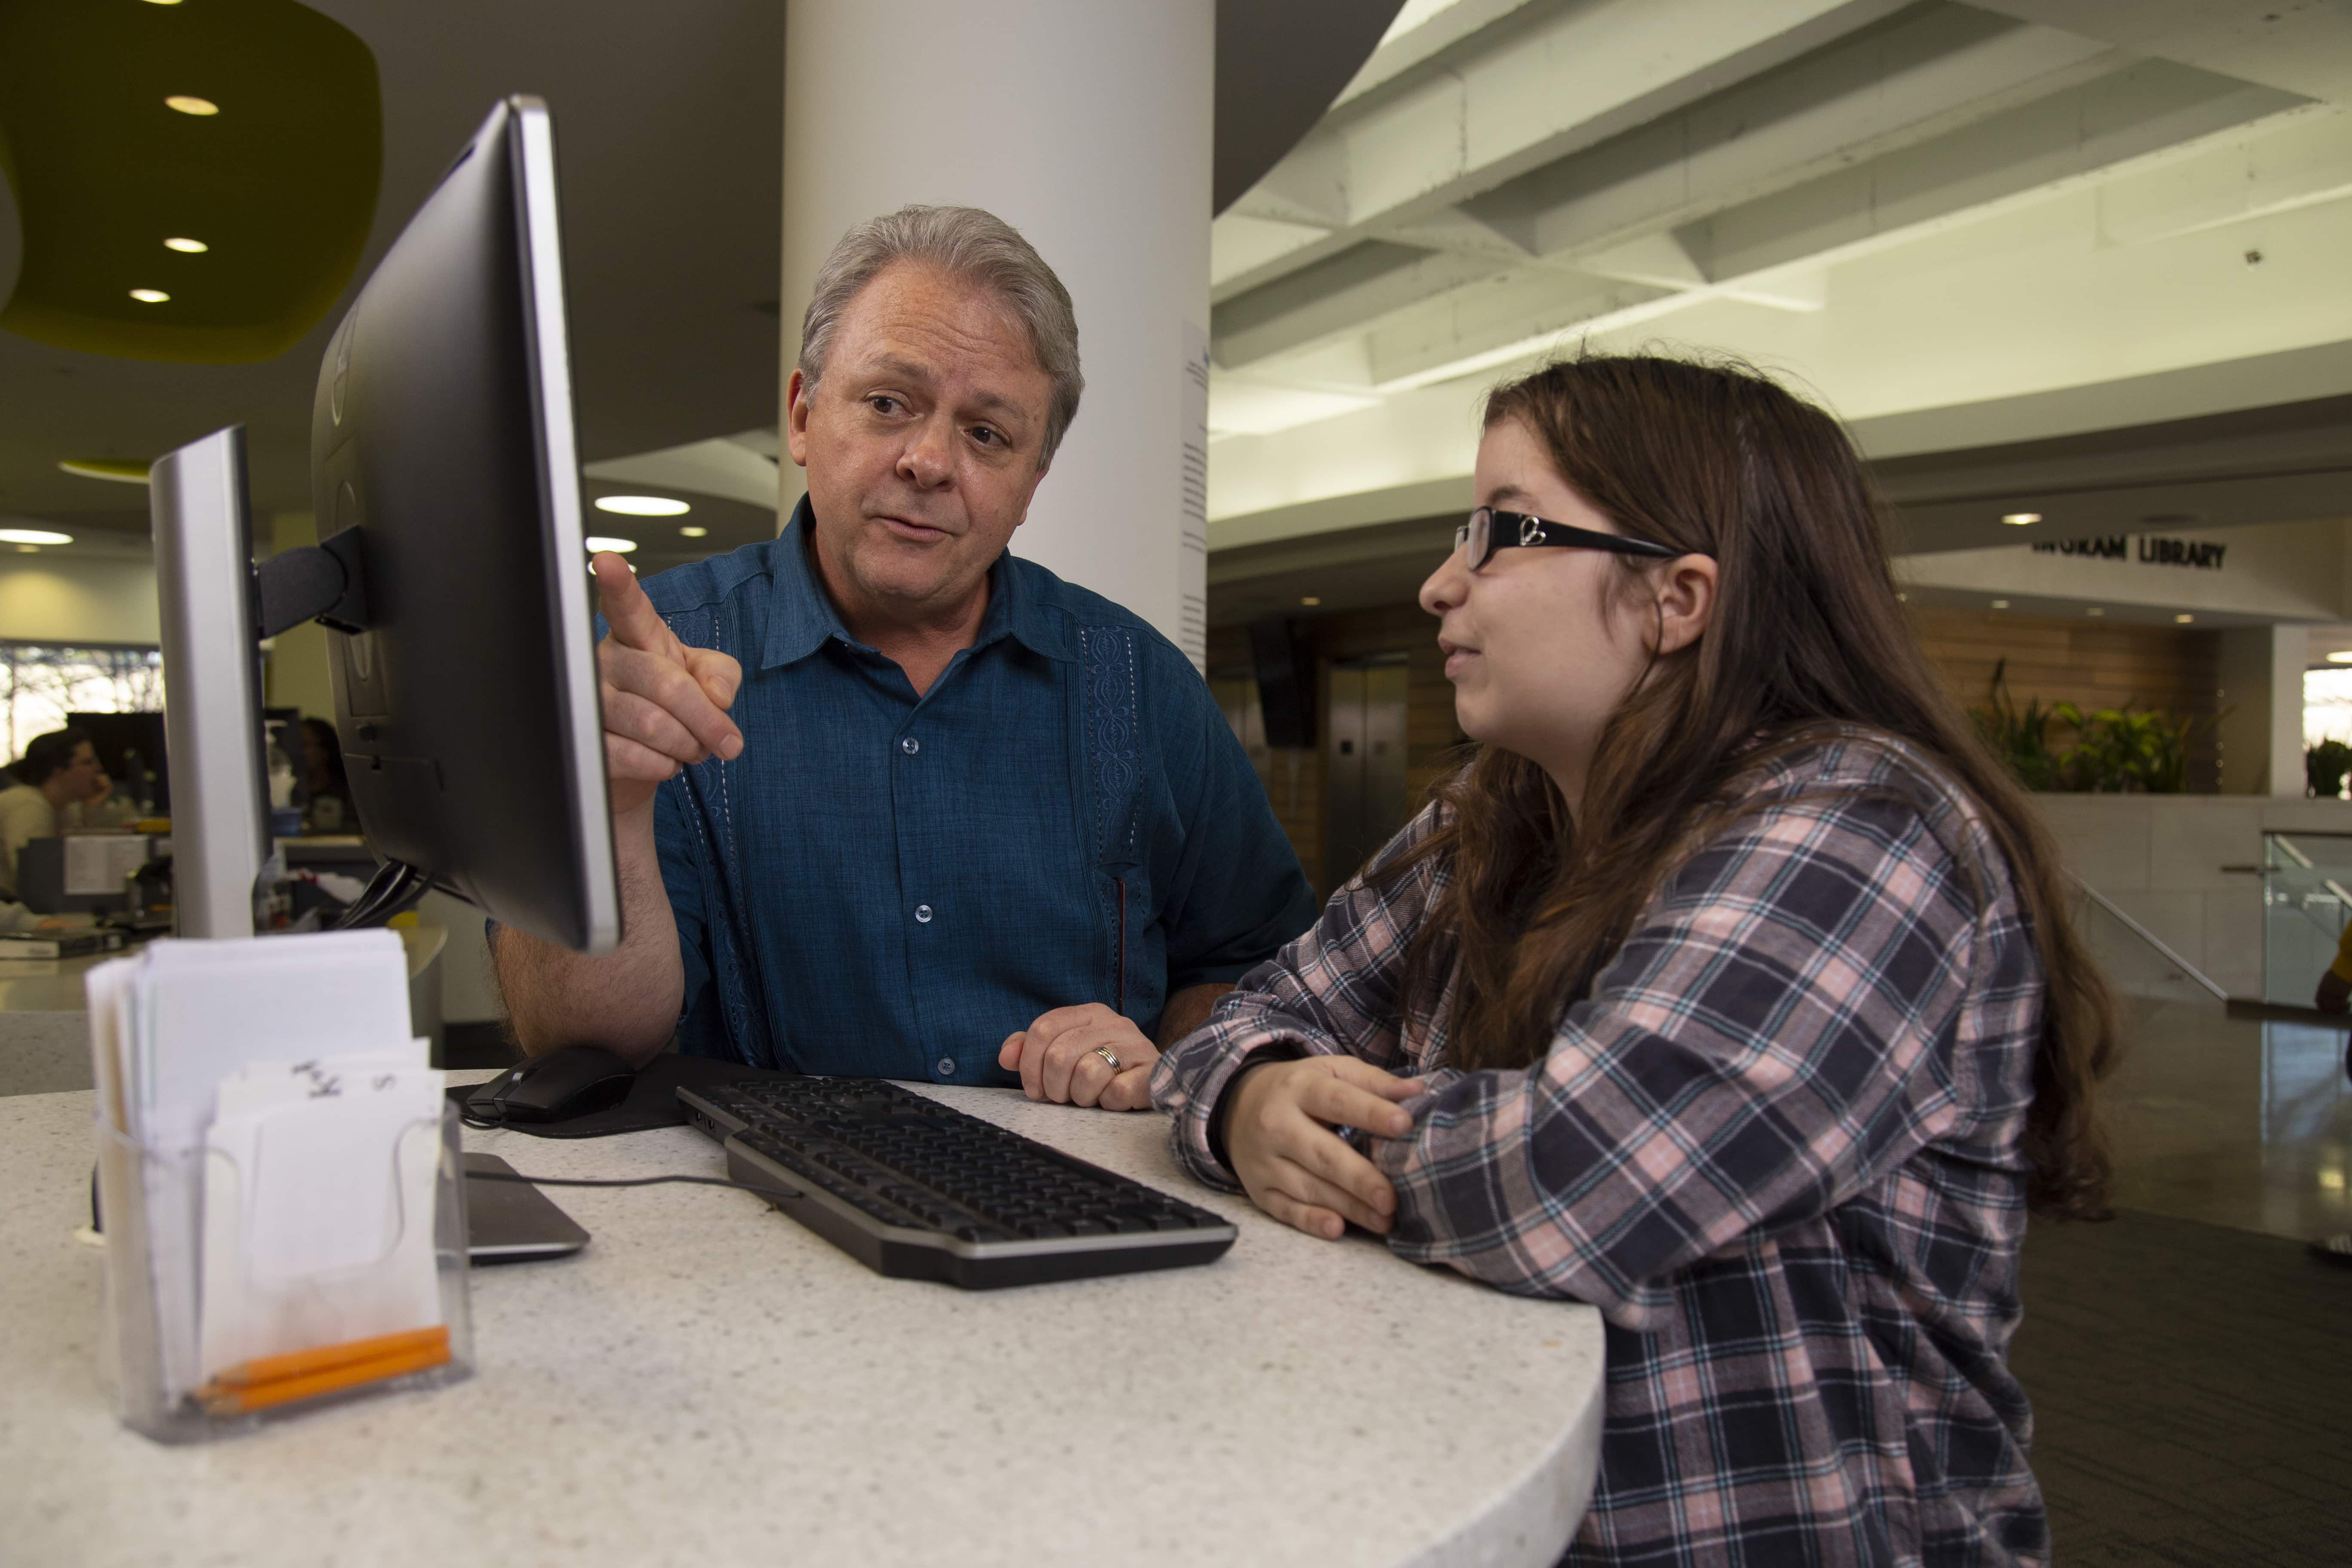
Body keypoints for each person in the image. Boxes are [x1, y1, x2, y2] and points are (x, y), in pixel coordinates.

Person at [1152, 355, 2117, 1565]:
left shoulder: (1865, 830)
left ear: (1679, 598)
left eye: (1500, 530)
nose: (1441, 581)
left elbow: (1578, 1178)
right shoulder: (1494, 815)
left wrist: (1297, 1125)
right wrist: (1245, 1093)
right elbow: (1250, 1017)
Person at [493, 205, 1315, 1100]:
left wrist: (1175, 1058)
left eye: (987, 434)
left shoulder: (1138, 683)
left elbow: (1265, 977)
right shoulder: (657, 666)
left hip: (1068, 1210)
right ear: (804, 417)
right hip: (753, 1208)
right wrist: (611, 804)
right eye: (889, 404)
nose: (929, 461)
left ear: (1031, 482)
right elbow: (581, 1042)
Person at [0, 728, 114, 900]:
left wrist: (93, 809)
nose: (98, 769)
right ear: (59, 772)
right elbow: (35, 881)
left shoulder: (64, 809)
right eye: (88, 763)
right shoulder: (28, 806)